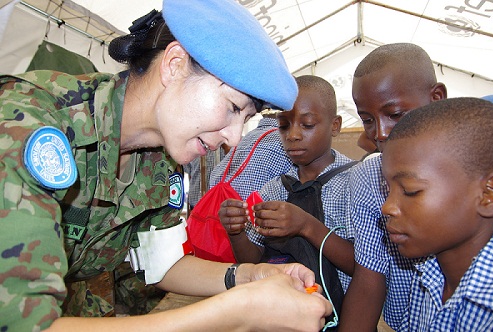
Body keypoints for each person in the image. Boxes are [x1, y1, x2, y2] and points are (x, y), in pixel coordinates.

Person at [0, 1, 333, 331]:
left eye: (245, 120)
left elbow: (161, 263)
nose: (233, 138)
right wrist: (242, 310)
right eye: (233, 107)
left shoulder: (162, 157)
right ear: (174, 64)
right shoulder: (26, 123)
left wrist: (249, 275)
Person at [219, 75, 356, 322]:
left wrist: (306, 226)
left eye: (307, 125)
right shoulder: (274, 189)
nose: (292, 135)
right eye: (284, 125)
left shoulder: (354, 183)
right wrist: (236, 231)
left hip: (344, 318)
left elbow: (364, 267)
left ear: (335, 125)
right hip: (284, 319)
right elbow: (252, 261)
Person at [338, 43, 447, 331]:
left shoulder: (472, 174)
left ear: (436, 98)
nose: (381, 133)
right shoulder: (369, 177)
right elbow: (369, 277)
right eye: (367, 120)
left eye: (395, 114)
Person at [382, 97, 493, 331]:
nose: (387, 207)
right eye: (387, 190)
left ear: (490, 194)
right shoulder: (428, 273)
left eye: (410, 191)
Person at [209, 110, 293, 201]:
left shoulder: (245, 140)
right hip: (257, 212)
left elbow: (214, 178)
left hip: (219, 210)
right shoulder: (287, 143)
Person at [184, 145, 228, 211]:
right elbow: (189, 172)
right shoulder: (192, 145)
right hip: (197, 205)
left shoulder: (228, 146)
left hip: (221, 207)